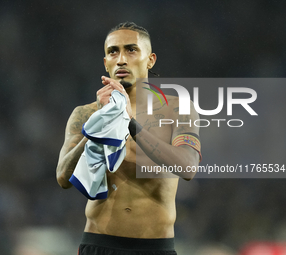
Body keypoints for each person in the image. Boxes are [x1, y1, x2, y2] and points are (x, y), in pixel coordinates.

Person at [56, 22, 201, 255]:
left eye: (131, 49)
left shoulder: (177, 109)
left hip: (154, 248)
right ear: (106, 62)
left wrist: (130, 123)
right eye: (113, 51)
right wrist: (98, 126)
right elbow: (63, 176)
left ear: (150, 60)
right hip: (98, 243)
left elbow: (188, 167)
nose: (121, 59)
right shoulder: (86, 114)